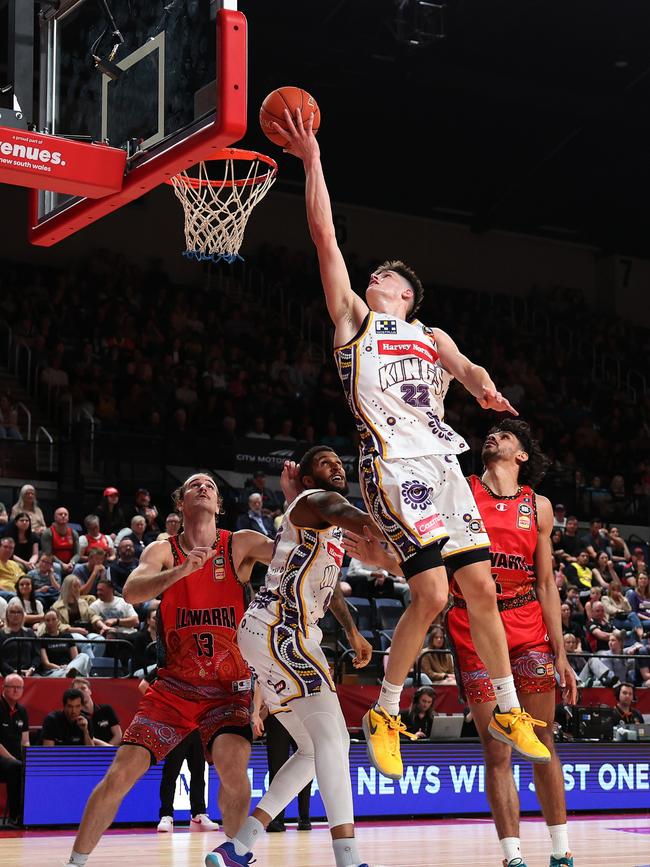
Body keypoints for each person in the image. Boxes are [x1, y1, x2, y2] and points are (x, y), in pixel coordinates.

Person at [276, 109, 548, 780]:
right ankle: (387, 709)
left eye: (386, 277)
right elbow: (323, 234)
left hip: (445, 463)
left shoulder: (429, 333)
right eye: (373, 276)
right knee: (429, 590)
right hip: (393, 465)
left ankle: (508, 704)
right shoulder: (355, 320)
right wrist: (312, 160)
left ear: (406, 292)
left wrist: (486, 391)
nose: (374, 278)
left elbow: (469, 369)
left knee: (476, 587)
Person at [345, 420, 577, 867]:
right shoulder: (457, 488)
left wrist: (561, 653)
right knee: (497, 746)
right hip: (472, 624)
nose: (493, 437)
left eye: (506, 436)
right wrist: (387, 560)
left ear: (522, 456)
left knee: (543, 738)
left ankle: (560, 851)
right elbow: (429, 568)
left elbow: (547, 582)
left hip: (528, 622)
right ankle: (512, 857)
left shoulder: (539, 507)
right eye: (491, 433)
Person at [64, 470, 283, 867]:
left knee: (235, 774)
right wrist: (180, 572)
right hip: (175, 689)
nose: (203, 487)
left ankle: (234, 858)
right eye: (194, 485)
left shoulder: (239, 544)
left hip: (228, 689)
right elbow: (132, 591)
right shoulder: (163, 550)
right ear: (180, 504)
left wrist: (308, 508)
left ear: (218, 505)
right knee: (120, 774)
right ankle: (75, 863)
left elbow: (293, 552)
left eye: (211, 486)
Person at [208, 447, 380, 867]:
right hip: (281, 631)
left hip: (274, 634)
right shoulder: (317, 502)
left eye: (339, 461)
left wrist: (353, 629)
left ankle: (239, 845)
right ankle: (348, 858)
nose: (337, 465)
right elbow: (365, 522)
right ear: (306, 479)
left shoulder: (318, 521)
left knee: (310, 749)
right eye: (325, 462)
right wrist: (408, 525)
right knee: (335, 742)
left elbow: (327, 583)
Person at [251, 687, 312, 833]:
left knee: (306, 763)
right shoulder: (268, 665)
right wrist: (255, 714)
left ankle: (304, 817)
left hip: (300, 715)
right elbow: (260, 684)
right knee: (276, 768)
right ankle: (276, 819)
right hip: (277, 716)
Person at [156, 729, 220, 832]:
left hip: (197, 730)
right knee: (170, 774)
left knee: (199, 773)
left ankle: (198, 816)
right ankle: (166, 815)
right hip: (177, 729)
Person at [0, 673, 29, 825]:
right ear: (4, 688)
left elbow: (25, 740)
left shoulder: (22, 711)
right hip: (3, 759)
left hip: (16, 760)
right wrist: (14, 760)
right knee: (16, 767)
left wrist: (29, 759)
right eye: (13, 687)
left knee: (33, 768)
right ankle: (15, 817)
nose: (16, 691)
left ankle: (32, 814)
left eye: (19, 688)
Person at [38, 609, 92, 678]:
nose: (51, 623)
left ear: (58, 620)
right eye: (48, 620)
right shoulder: (42, 639)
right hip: (53, 671)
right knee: (65, 673)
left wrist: (69, 667)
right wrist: (60, 668)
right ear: (44, 622)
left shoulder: (67, 636)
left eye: (54, 619)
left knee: (84, 656)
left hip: (69, 668)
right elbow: (46, 664)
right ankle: (70, 674)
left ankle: (70, 673)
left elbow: (75, 658)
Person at [72, 677, 122, 747]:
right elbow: (88, 744)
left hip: (112, 753)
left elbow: (118, 736)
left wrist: (108, 750)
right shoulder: (76, 717)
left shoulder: (106, 709)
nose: (81, 692)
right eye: (77, 690)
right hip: (91, 755)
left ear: (90, 691)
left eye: (83, 688)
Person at [0, 599, 40, 677]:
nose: (16, 615)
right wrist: (12, 671)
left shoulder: (30, 633)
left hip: (29, 673)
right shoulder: (1, 634)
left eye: (19, 612)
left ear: (23, 615)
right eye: (12, 612)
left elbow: (37, 656)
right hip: (6, 673)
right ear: (7, 615)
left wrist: (31, 669)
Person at [40, 506, 80, 575]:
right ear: (55, 518)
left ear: (68, 518)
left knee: (79, 567)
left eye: (65, 514)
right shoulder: (48, 533)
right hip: (54, 563)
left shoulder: (74, 533)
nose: (63, 516)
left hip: (70, 563)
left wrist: (72, 563)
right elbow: (48, 554)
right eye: (60, 514)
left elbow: (77, 554)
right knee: (57, 567)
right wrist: (62, 564)